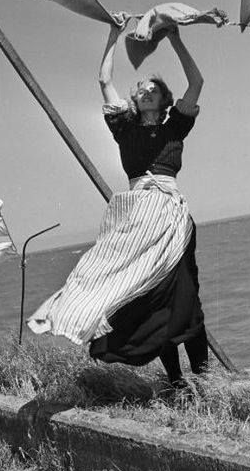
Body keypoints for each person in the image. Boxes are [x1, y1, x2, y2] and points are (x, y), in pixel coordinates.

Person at [28, 24, 208, 386]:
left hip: (170, 219)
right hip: (135, 219)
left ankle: (204, 379)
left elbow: (197, 83)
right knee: (146, 299)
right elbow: (103, 79)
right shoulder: (124, 129)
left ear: (164, 98)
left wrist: (174, 39)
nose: (145, 91)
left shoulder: (176, 128)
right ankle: (176, 382)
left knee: (185, 298)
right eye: (140, 89)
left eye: (153, 89)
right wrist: (113, 34)